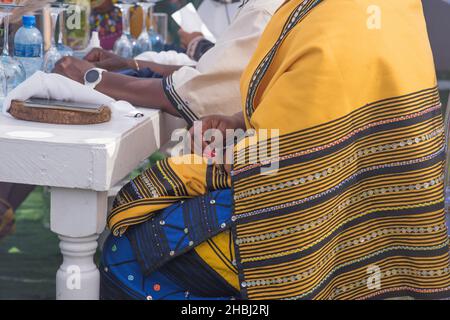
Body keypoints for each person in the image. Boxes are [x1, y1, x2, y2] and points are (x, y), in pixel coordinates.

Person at [97, 0, 450, 300]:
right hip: (390, 218)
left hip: (307, 223)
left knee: (123, 254)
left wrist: (182, 173)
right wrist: (241, 119)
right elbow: (321, 102)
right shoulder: (394, 7)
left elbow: (279, 162)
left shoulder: (325, 17)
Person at [54, 0, 283, 126]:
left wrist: (92, 77)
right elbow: (213, 72)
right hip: (249, 150)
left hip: (252, 167)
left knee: (130, 205)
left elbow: (194, 93)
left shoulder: (264, 10)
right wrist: (130, 63)